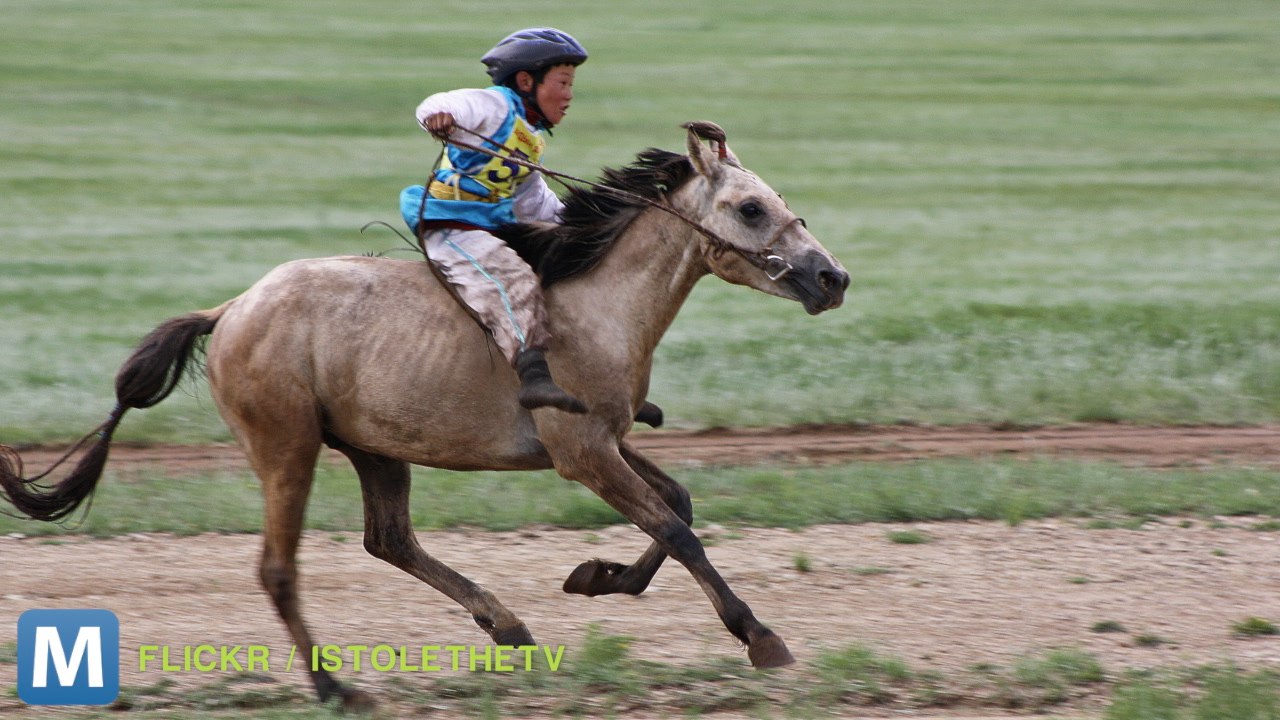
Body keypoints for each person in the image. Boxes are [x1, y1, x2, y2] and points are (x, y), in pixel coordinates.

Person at [400, 28, 588, 414]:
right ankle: (534, 377)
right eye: (563, 82)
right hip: (451, 225)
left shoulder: (531, 137)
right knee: (511, 278)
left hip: (492, 225)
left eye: (571, 84)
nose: (569, 95)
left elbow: (534, 201)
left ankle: (596, 379)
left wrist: (577, 225)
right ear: (526, 81)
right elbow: (440, 103)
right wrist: (439, 117)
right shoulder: (495, 106)